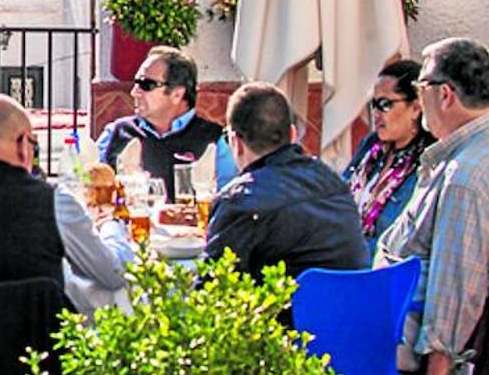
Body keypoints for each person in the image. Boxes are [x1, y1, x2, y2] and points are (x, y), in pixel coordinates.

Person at [0, 93, 134, 314]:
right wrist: (111, 224)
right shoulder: (53, 202)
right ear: (23, 144)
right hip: (37, 345)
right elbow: (113, 276)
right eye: (33, 144)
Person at [377, 38, 489, 375]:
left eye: (420, 85)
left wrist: (437, 367)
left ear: (445, 94)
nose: (418, 96)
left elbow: (454, 290)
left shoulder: (465, 176)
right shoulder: (465, 158)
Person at [204, 82, 368, 280]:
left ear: (236, 143)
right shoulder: (334, 181)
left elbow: (211, 289)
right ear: (292, 134)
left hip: (291, 309)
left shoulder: (239, 201)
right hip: (358, 307)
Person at [96, 46, 235, 198]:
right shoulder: (116, 132)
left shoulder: (214, 139)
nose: (134, 91)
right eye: (136, 82)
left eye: (146, 84)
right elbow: (90, 185)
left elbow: (230, 200)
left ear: (177, 94)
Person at [341, 59, 436, 256]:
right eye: (373, 104)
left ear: (415, 108)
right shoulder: (371, 147)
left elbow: (405, 236)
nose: (375, 114)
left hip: (386, 268)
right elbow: (338, 194)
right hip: (345, 259)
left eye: (385, 104)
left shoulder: (427, 162)